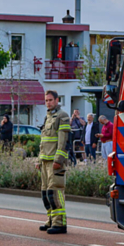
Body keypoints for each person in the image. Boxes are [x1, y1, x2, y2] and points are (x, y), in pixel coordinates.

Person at [39, 90, 70, 234]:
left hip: (54, 162)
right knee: (46, 194)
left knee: (55, 192)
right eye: (46, 100)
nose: (48, 102)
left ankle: (60, 223)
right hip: (45, 161)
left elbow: (63, 142)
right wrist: (39, 159)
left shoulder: (62, 116)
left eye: (50, 100)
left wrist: (58, 160)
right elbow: (43, 141)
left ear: (57, 100)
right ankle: (51, 219)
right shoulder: (48, 116)